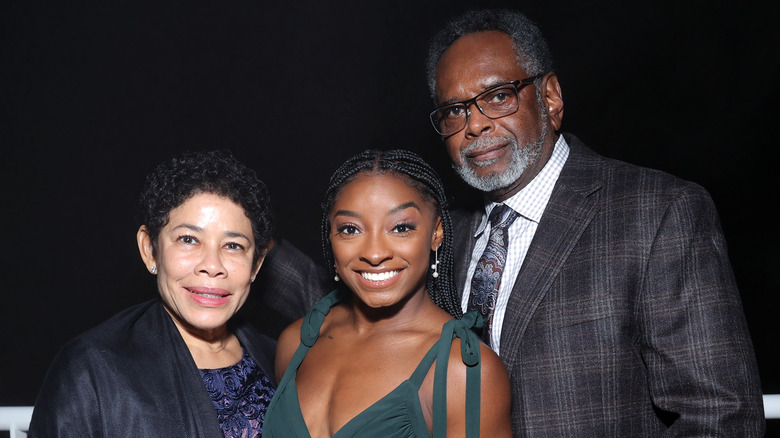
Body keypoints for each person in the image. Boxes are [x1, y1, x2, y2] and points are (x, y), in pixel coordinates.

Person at [423, 8, 765, 436]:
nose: (474, 124)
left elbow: (721, 417)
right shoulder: (442, 237)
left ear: (549, 97)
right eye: (454, 110)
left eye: (498, 96)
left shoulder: (656, 211)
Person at [262, 149, 512, 437]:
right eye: (350, 229)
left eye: (401, 227)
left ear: (436, 233)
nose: (375, 253)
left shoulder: (462, 371)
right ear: (330, 235)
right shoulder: (296, 343)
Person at [29, 150, 278, 437]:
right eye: (189, 240)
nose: (212, 266)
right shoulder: (91, 370)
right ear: (150, 250)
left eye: (233, 245)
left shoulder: (279, 360)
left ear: (256, 264)